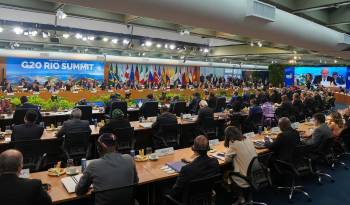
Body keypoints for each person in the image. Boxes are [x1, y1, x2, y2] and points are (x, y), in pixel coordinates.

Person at [76, 133, 139, 205]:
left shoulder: (93, 165)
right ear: (117, 146)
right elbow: (135, 182)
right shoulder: (129, 159)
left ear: (99, 148)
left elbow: (79, 191)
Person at [168, 135, 220, 201]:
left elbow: (175, 191)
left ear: (195, 150)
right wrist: (191, 163)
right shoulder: (215, 162)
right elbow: (201, 167)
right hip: (207, 194)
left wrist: (168, 195)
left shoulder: (186, 169)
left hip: (187, 199)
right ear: (208, 149)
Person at [224, 126, 257, 204]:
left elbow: (226, 160)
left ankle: (241, 198)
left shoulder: (234, 144)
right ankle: (249, 198)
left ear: (228, 136)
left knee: (229, 174)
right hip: (256, 171)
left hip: (245, 176)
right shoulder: (247, 138)